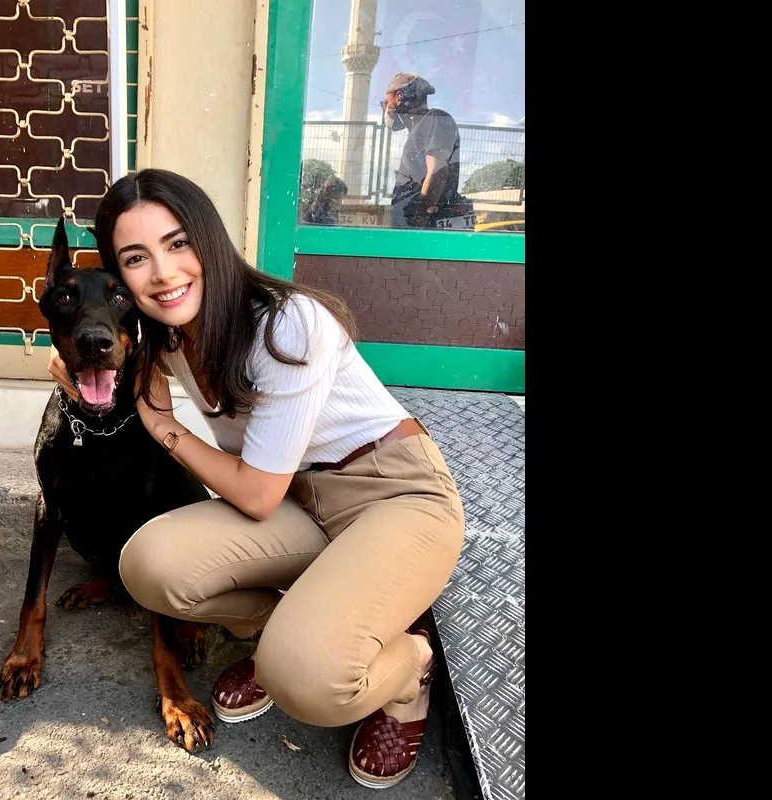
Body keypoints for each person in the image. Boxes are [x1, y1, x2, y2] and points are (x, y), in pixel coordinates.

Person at [48, 168, 465, 789]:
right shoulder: (167, 336)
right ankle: (287, 636)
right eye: (136, 258)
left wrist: (162, 424)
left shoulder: (288, 323)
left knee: (310, 682)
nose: (162, 272)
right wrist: (78, 366)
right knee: (149, 566)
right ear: (120, 277)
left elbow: (254, 492)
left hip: (392, 494)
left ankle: (411, 669)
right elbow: (87, 346)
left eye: (177, 243)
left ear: (209, 240)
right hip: (298, 498)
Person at [381, 73, 472, 230]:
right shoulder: (420, 129)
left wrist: (420, 217)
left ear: (399, 97)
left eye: (386, 102)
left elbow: (438, 172)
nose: (386, 108)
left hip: (421, 227)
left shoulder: (435, 119)